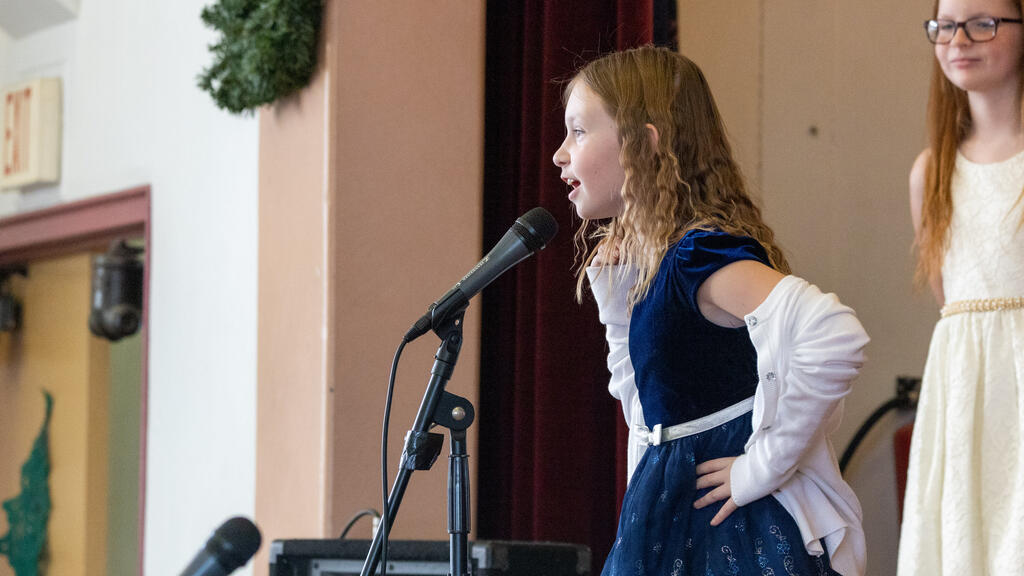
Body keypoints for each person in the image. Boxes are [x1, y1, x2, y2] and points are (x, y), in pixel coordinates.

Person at [551, 46, 870, 576]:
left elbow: (835, 335)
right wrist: (616, 298)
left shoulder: (698, 256)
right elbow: (644, 411)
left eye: (579, 132)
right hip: (675, 509)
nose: (560, 155)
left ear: (643, 144)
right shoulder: (658, 266)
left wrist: (761, 467)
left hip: (736, 529)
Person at [898, 0, 1024, 573]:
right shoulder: (931, 172)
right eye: (945, 26)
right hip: (965, 400)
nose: (958, 41)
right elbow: (954, 307)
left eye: (982, 23)